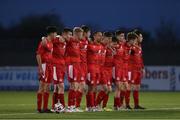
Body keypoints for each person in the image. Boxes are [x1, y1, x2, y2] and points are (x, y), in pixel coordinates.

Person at [36, 26, 57, 113]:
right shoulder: (43, 43)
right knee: (42, 86)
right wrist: (40, 68)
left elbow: (61, 37)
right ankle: (39, 108)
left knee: (47, 87)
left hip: (50, 66)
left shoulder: (51, 42)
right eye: (55, 33)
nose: (56, 35)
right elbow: (38, 55)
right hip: (44, 65)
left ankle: (45, 108)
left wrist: (43, 37)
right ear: (52, 33)